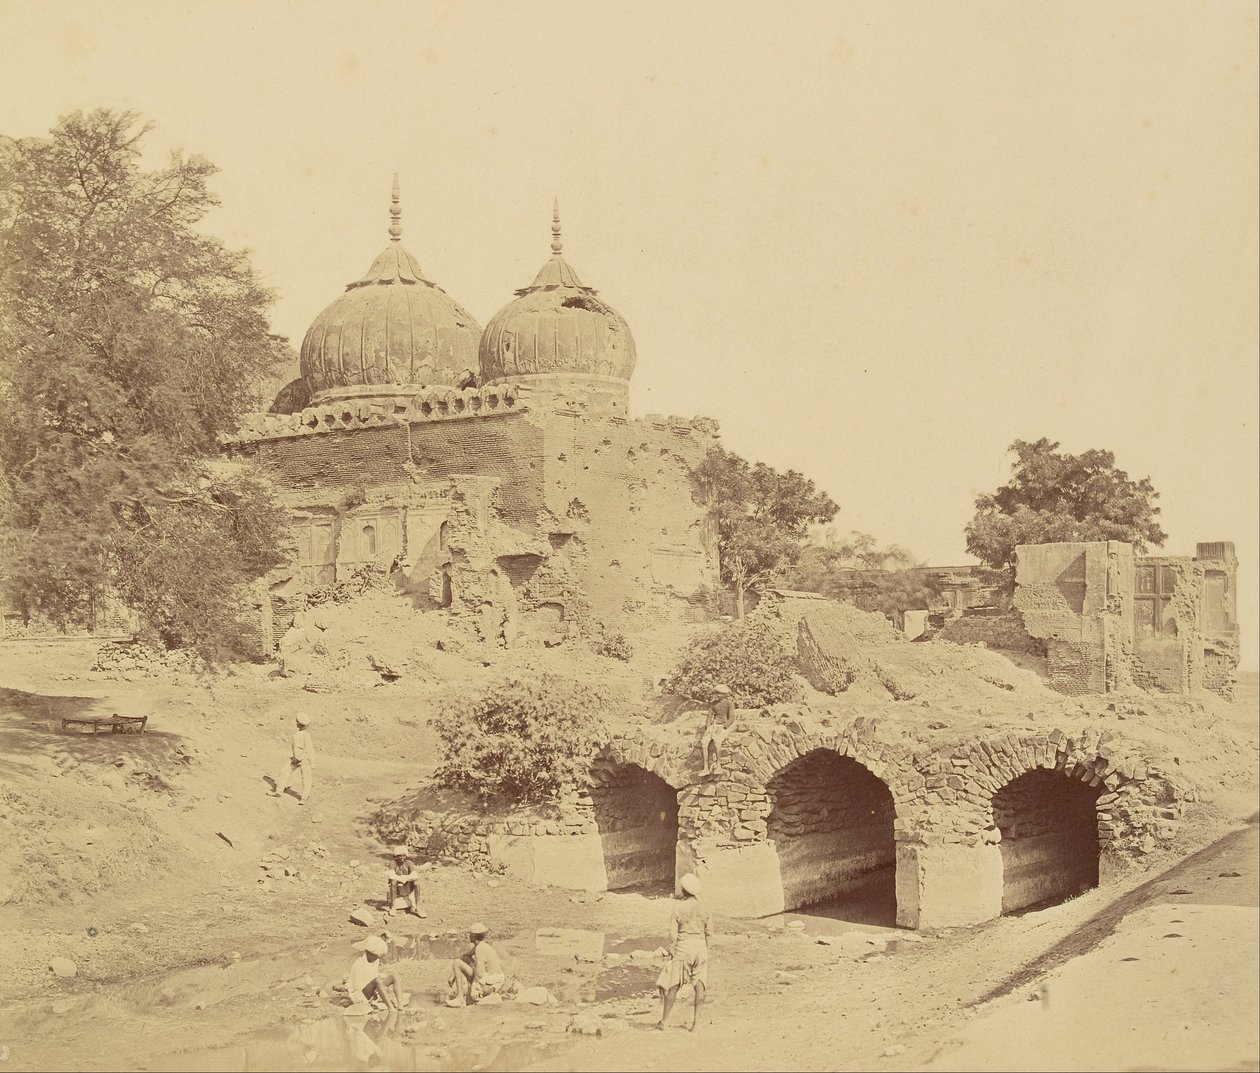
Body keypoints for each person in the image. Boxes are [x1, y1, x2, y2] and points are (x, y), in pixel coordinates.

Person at [655, 873, 710, 1032]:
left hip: (683, 948)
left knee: (674, 986)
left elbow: (673, 934)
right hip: (700, 948)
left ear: (685, 891)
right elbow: (709, 932)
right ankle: (696, 1024)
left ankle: (665, 1022)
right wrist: (706, 950)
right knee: (700, 987)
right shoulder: (705, 907)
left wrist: (673, 952)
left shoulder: (678, 908)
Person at [445, 923, 505, 1007]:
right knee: (465, 958)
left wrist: (475, 988)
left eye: (470, 934)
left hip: (489, 987)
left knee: (456, 962)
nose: (468, 936)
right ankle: (461, 994)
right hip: (492, 984)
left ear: (473, 936)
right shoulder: (482, 945)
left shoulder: (479, 949)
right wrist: (453, 975)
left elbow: (480, 973)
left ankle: (460, 999)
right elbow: (465, 956)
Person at [345, 935, 404, 1010]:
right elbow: (358, 987)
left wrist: (378, 983)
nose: (377, 957)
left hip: (373, 987)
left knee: (394, 976)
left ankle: (400, 1005)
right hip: (361, 993)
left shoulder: (375, 961)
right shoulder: (359, 964)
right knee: (377, 981)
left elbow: (374, 975)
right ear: (368, 953)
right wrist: (374, 986)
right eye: (375, 955)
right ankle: (391, 1008)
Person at [270, 712, 314, 803]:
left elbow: (307, 749)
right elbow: (294, 748)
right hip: (294, 759)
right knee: (284, 772)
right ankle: (278, 791)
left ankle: (304, 798)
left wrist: (300, 758)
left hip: (304, 759)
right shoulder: (296, 734)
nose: (296, 723)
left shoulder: (306, 735)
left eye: (297, 722)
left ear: (301, 723)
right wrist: (293, 757)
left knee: (306, 778)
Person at [699, 686, 735, 776]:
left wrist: (723, 726)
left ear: (724, 695)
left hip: (723, 725)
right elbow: (709, 716)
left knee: (717, 741)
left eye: (719, 694)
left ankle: (719, 766)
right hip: (714, 725)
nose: (717, 695)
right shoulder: (713, 704)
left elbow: (731, 718)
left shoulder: (729, 703)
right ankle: (706, 768)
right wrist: (707, 727)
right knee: (704, 743)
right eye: (716, 693)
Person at [385, 847, 424, 918]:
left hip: (407, 886)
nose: (401, 857)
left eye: (403, 855)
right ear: (396, 856)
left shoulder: (409, 863)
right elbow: (391, 875)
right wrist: (401, 878)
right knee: (393, 882)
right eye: (399, 855)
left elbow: (415, 875)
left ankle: (418, 907)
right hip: (397, 888)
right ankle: (393, 907)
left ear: (406, 856)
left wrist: (405, 878)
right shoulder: (393, 863)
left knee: (416, 882)